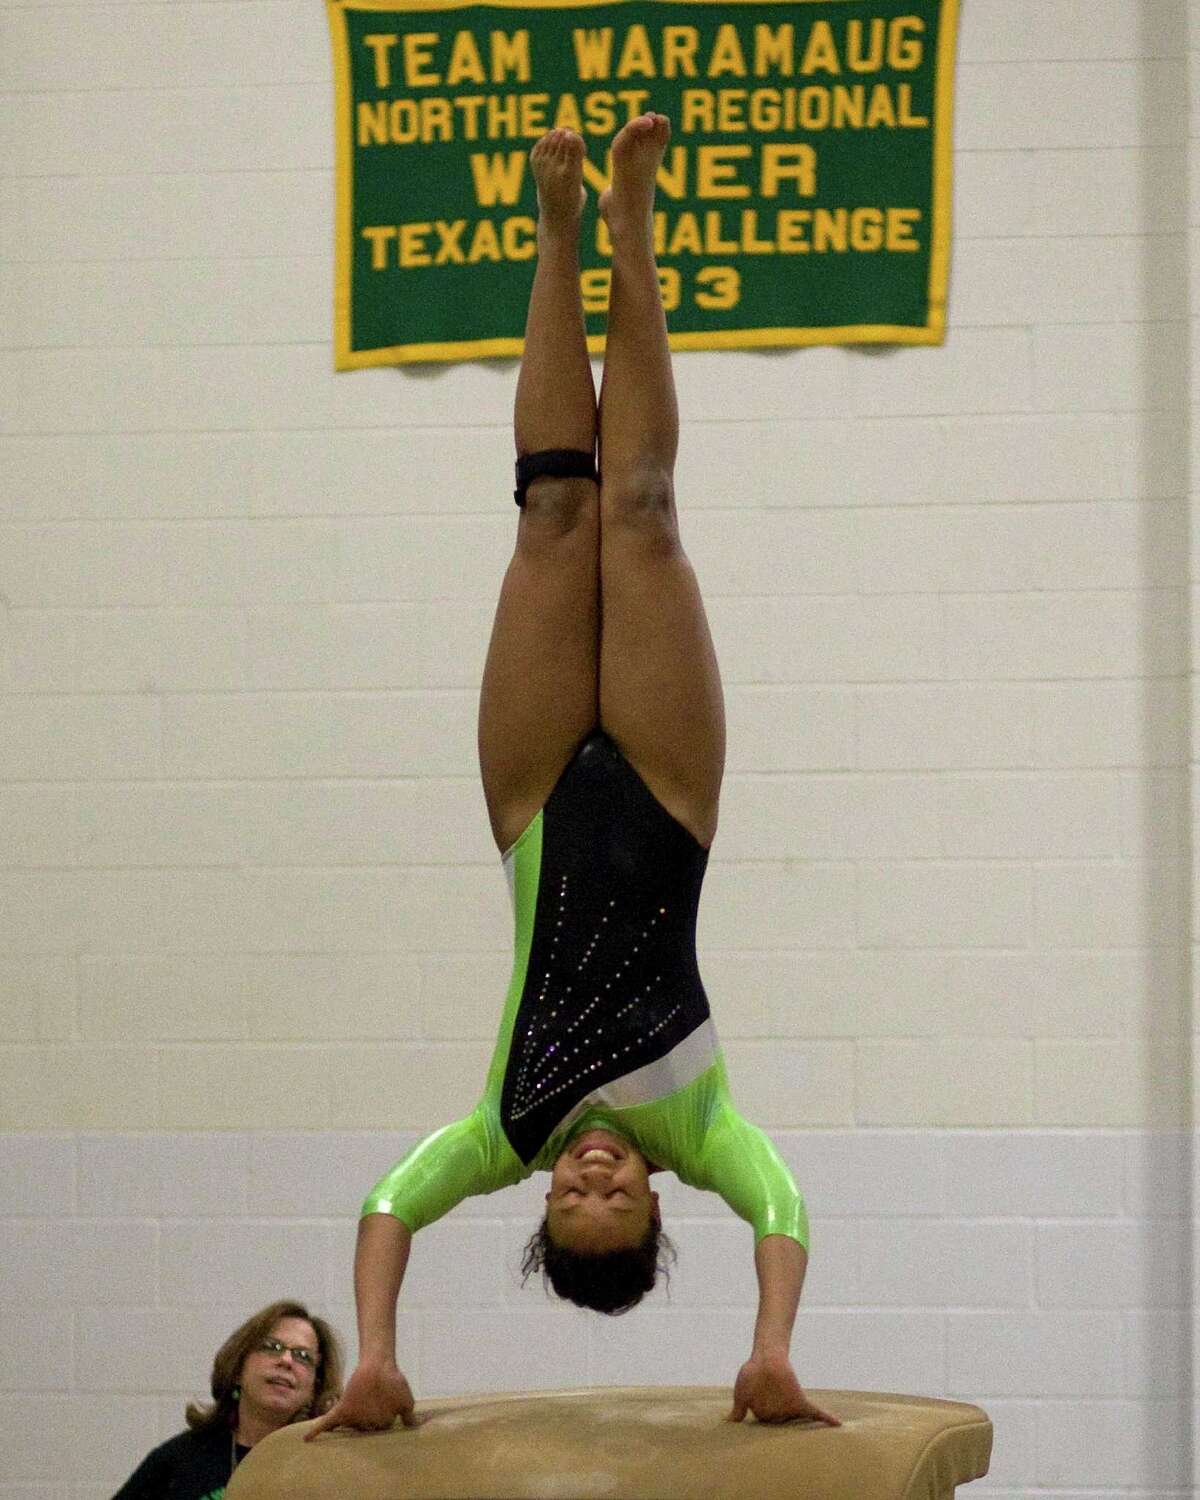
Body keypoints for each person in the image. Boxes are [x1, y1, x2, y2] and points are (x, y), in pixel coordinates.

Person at [308, 113, 841, 1438]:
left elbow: (389, 1202)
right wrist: (771, 1347)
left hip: (533, 800)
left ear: (539, 1200)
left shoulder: (507, 1127)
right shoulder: (702, 1130)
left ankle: (555, 232)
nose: (593, 1175)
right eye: (615, 1198)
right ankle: (631, 233)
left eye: (571, 1199)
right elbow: (784, 1207)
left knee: (555, 512)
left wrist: (374, 1355)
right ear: (659, 1204)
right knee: (640, 511)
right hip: (670, 796)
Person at [112, 1300, 343, 1498]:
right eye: (272, 1347)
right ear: (237, 1370)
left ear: (315, 1386)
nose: (286, 1360)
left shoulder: (331, 1464)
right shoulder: (181, 1458)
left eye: (303, 1356)